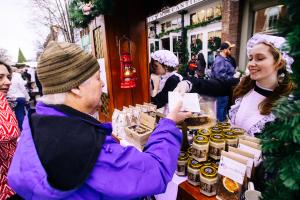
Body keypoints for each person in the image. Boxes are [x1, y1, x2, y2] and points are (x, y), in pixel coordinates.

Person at [8, 41, 191, 199]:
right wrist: (169, 123)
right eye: (97, 78)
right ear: (76, 88)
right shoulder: (86, 147)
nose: (102, 84)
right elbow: (155, 172)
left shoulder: (34, 122)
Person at [175, 33, 294, 136]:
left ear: (279, 63)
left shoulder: (289, 105)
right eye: (251, 58)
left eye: (260, 58)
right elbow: (216, 84)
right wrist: (188, 83)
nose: (251, 64)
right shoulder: (244, 86)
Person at [0, 61, 20, 199]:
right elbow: (9, 133)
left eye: (8, 77)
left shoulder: (3, 102)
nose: (8, 82)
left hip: (11, 183)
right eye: (0, 77)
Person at [211, 41, 236, 122]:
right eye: (230, 49)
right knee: (221, 111)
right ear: (225, 50)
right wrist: (234, 78)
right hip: (221, 90)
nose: (231, 51)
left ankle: (221, 127)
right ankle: (220, 130)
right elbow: (220, 78)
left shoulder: (223, 59)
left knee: (223, 109)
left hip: (224, 90)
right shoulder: (220, 61)